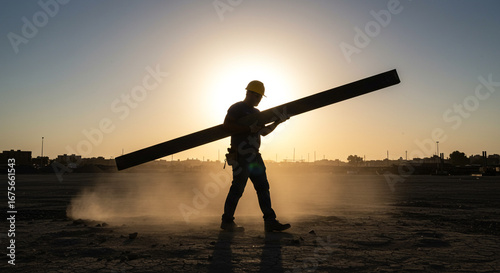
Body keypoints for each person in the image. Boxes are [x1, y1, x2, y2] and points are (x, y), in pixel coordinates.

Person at [220, 80, 291, 232]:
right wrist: (247, 128)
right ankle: (227, 221)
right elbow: (227, 126)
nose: (259, 99)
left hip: (254, 156)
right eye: (257, 96)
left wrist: (278, 121)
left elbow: (263, 132)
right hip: (241, 155)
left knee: (263, 188)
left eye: (260, 97)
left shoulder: (257, 113)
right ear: (249, 93)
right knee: (237, 189)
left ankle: (270, 221)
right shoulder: (237, 108)